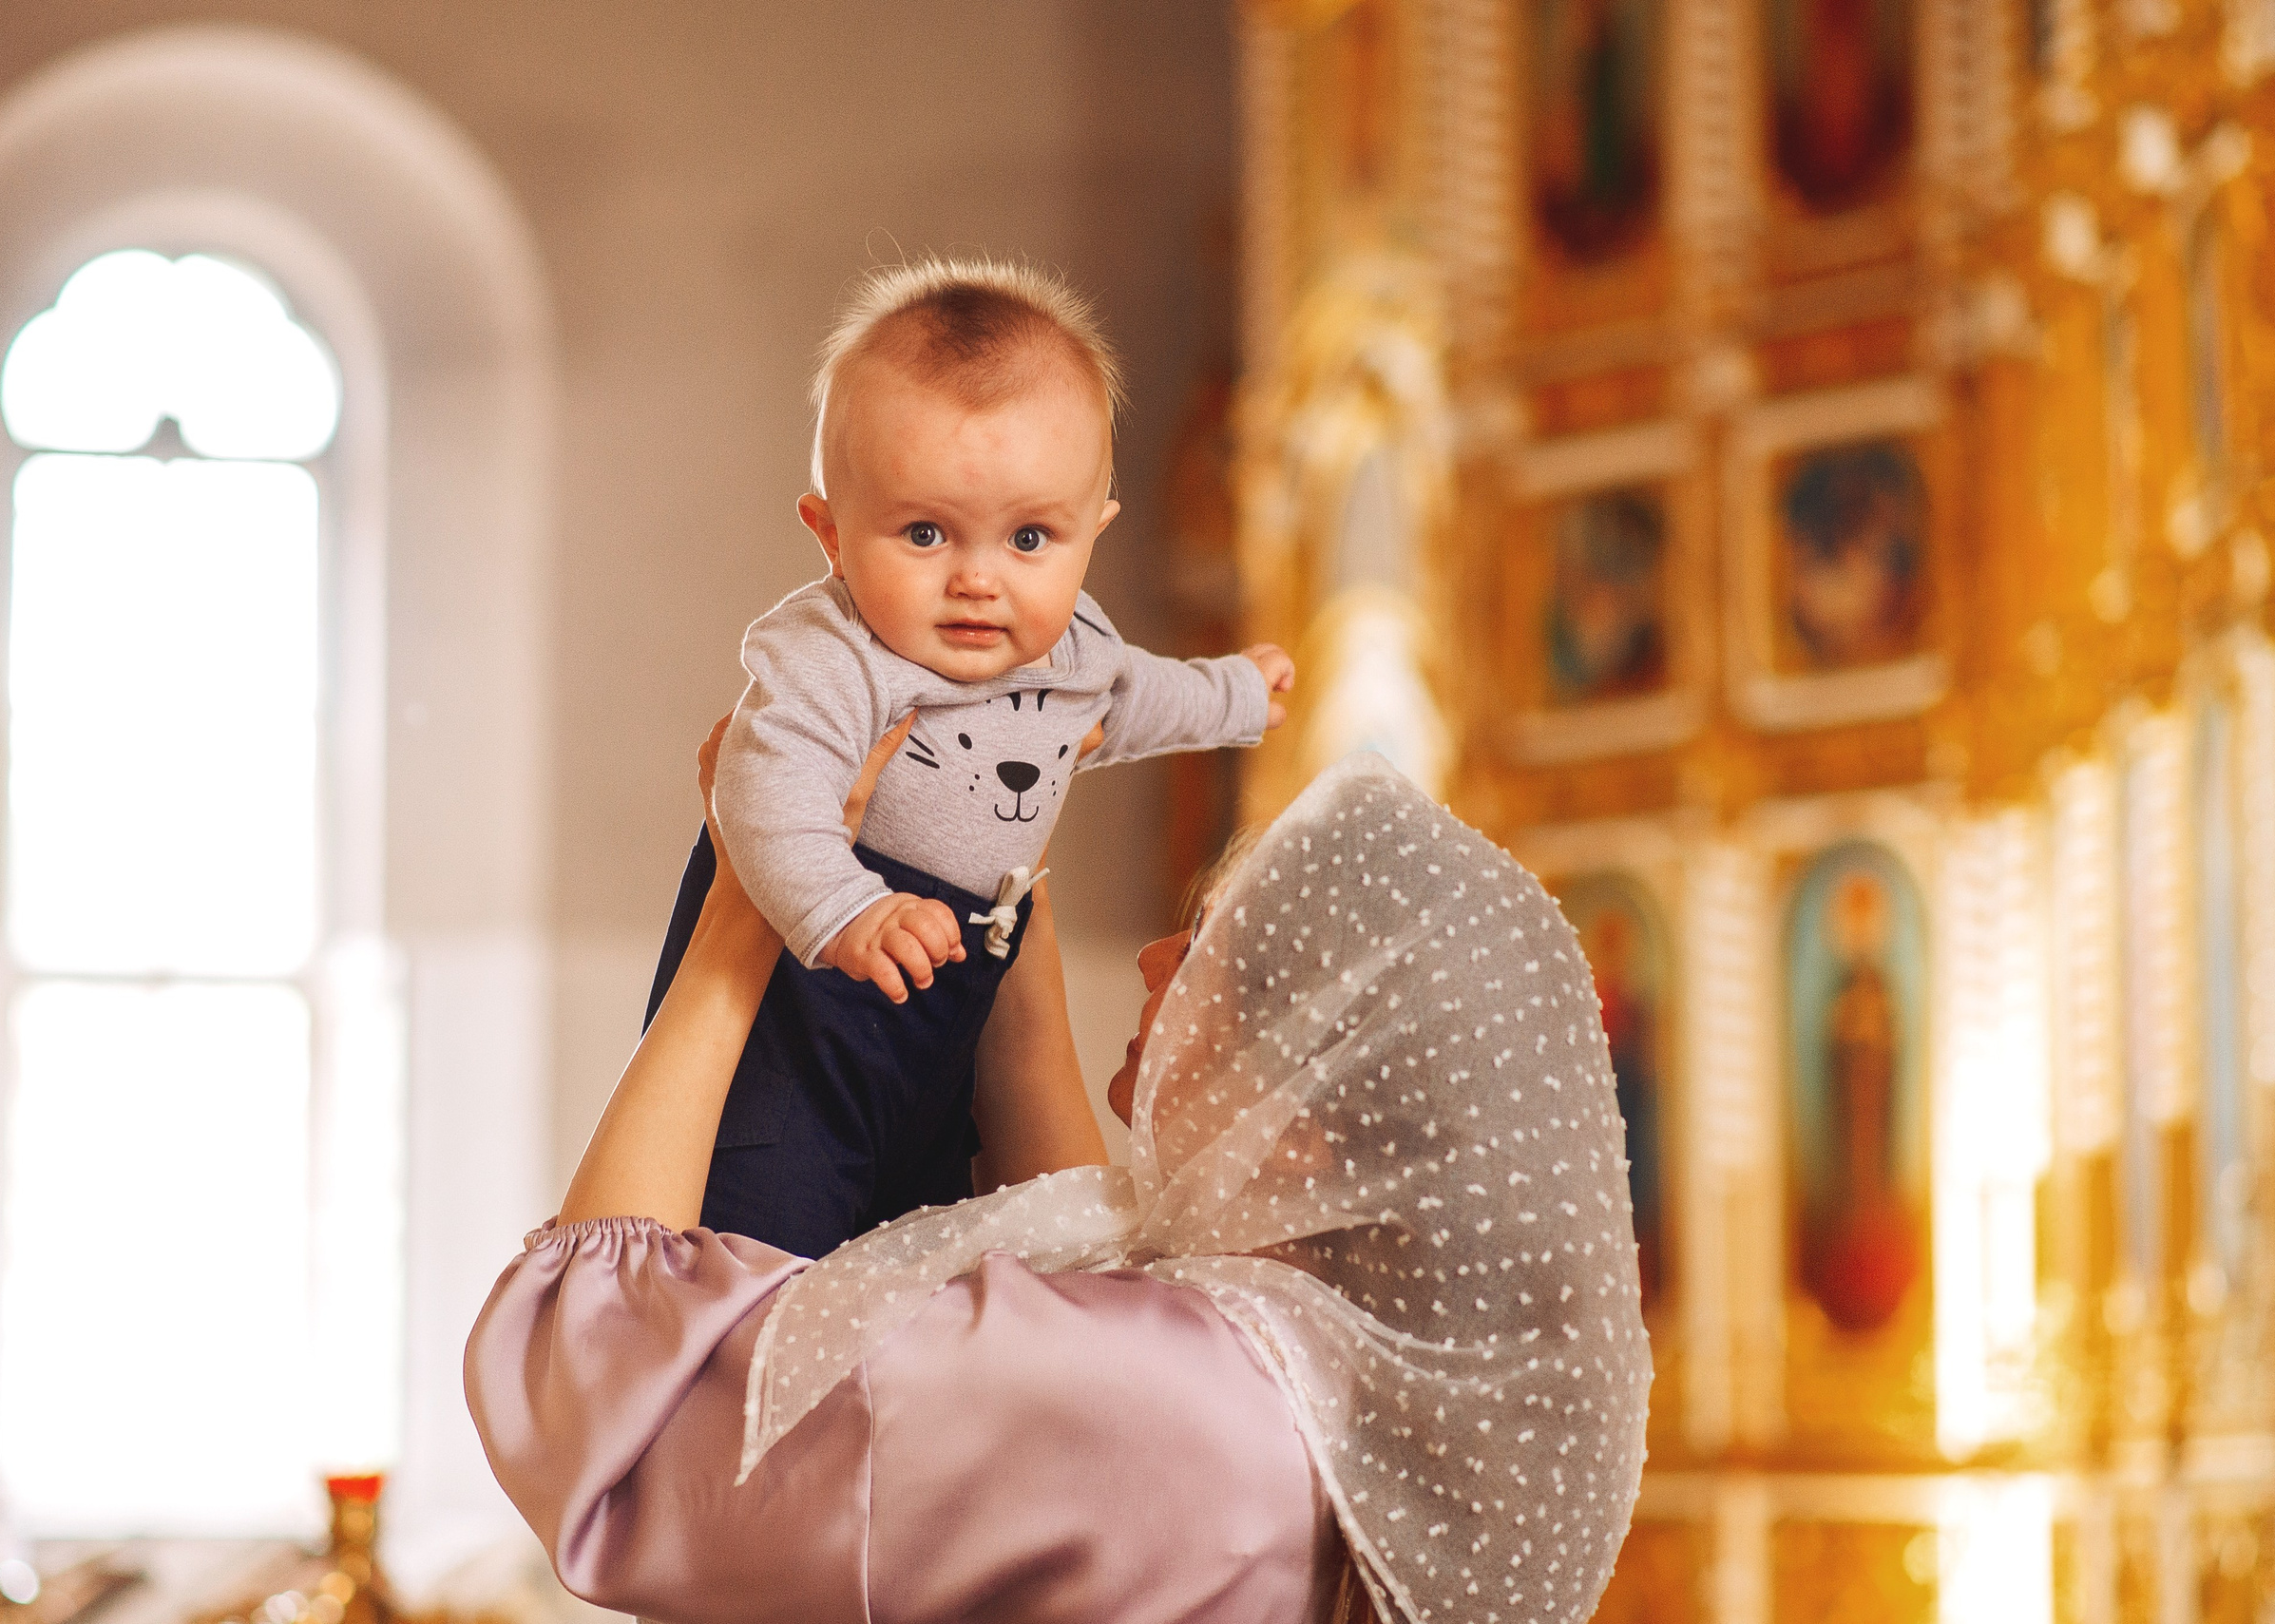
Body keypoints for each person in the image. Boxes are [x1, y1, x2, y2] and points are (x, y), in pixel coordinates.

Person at [469, 728, 1650, 1624]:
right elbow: (1084, 1260)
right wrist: (1012, 891)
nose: (1154, 956)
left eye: (1213, 942)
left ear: (1303, 1126)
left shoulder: (1185, 1403)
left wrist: (743, 901)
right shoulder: (1332, 1403)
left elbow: (620, 1423)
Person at [648, 257, 1295, 1258]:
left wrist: (1237, 694)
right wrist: (847, 910)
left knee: (922, 1234)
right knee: (768, 1247)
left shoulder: (1074, 649)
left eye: (1030, 538)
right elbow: (761, 791)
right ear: (830, 534)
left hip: (950, 1004)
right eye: (925, 533)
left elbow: (1136, 696)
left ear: (1092, 533)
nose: (978, 581)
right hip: (803, 1007)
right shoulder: (835, 652)